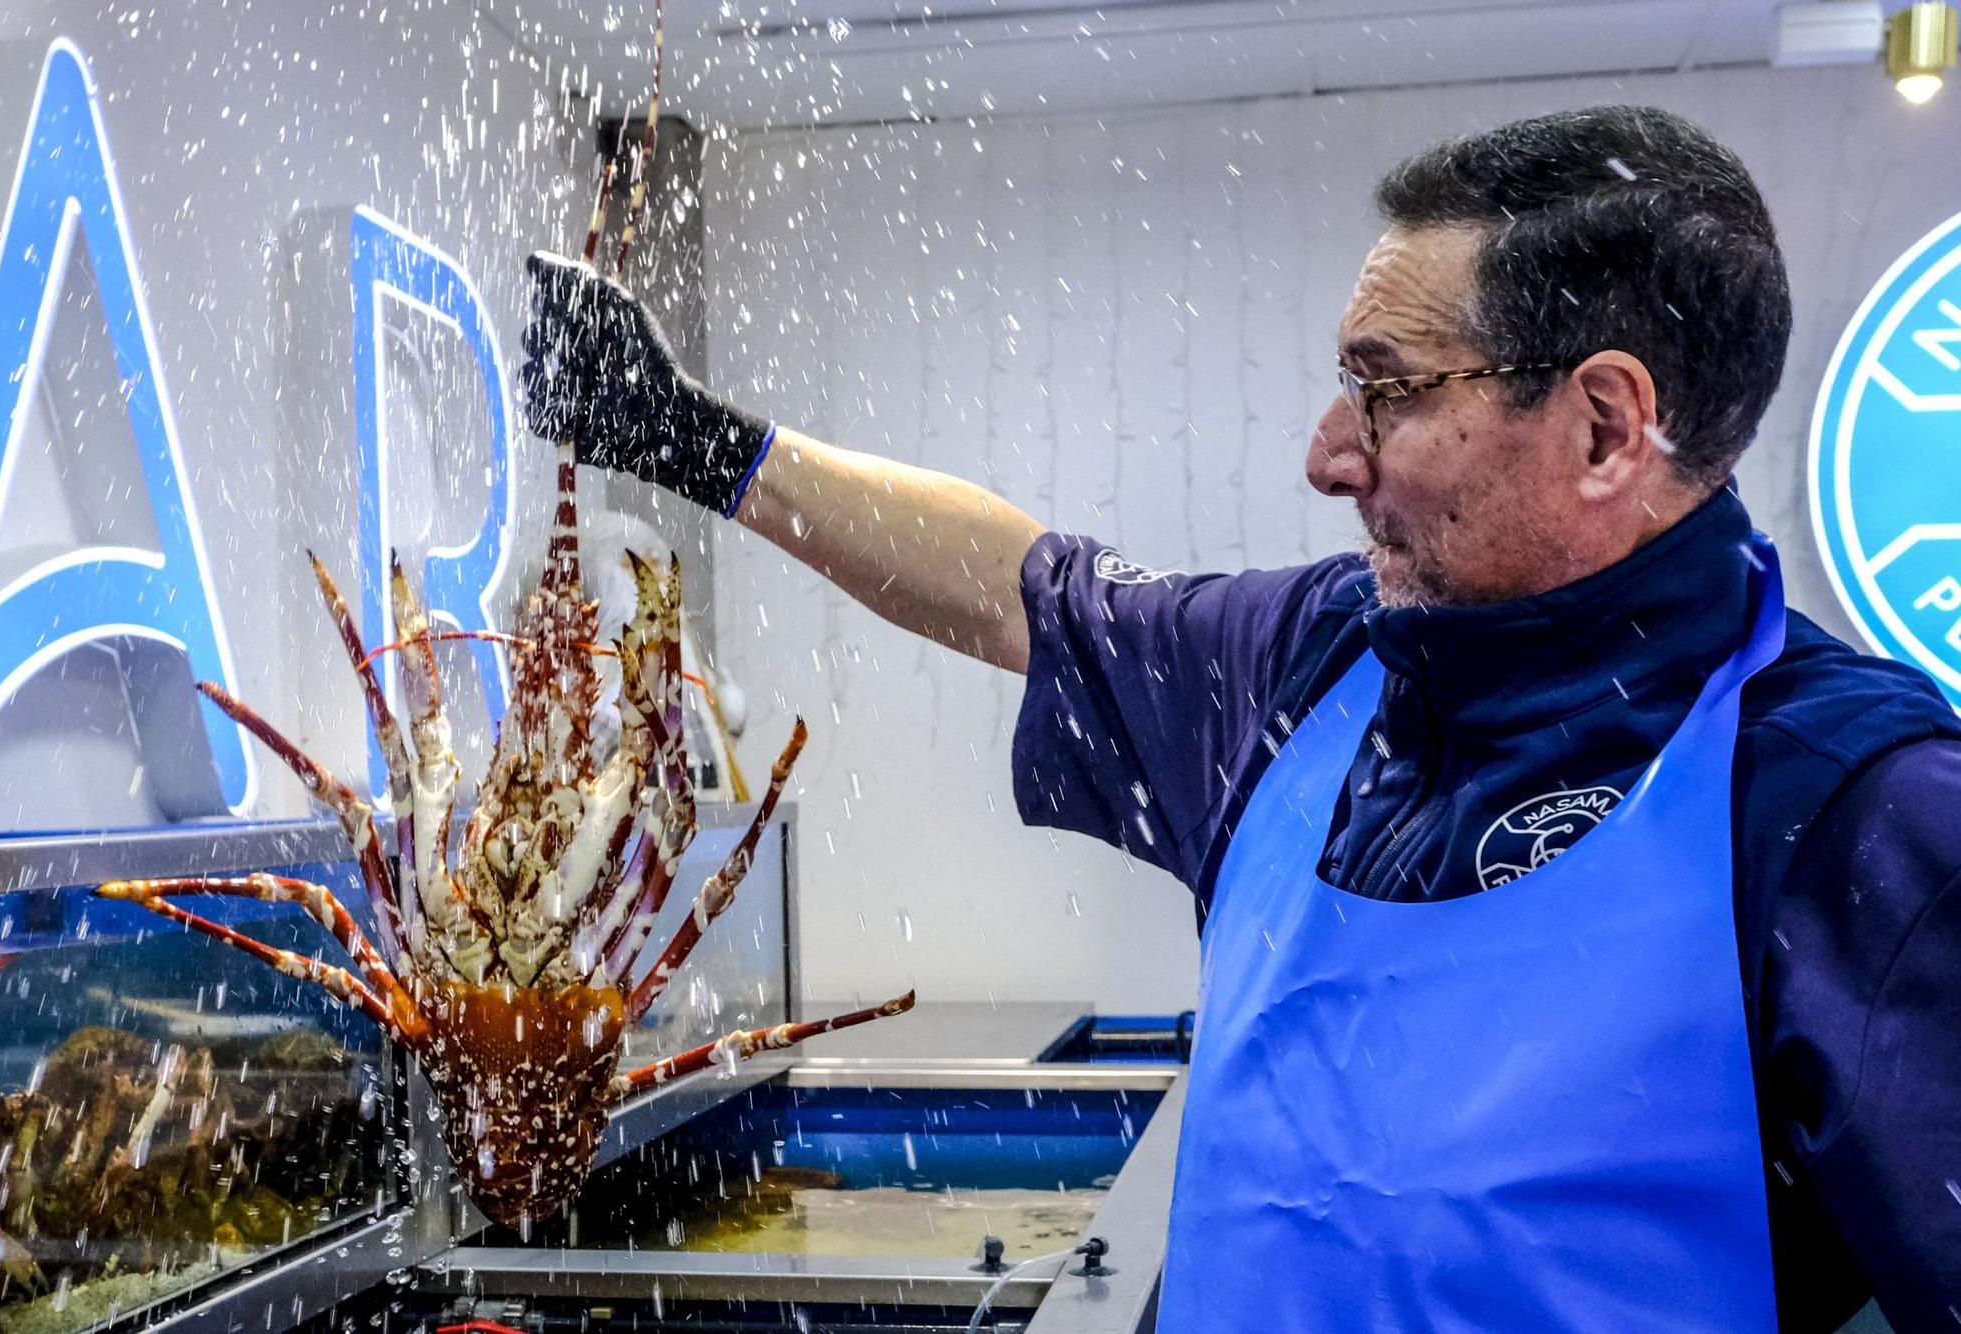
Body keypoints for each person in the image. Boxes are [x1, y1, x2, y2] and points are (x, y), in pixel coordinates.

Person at [523, 106, 1961, 1332]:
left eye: (1387, 392)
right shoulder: (1312, 663)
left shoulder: (1854, 813)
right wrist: (686, 440)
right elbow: (1024, 591)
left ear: (1602, 425)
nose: (1330, 453)